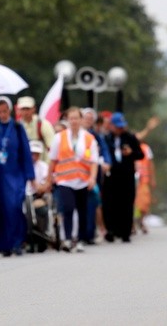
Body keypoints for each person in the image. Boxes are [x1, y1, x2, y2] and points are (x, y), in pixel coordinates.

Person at [0, 96, 36, 257]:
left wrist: (30, 176)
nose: (2, 115)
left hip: (15, 174)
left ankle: (17, 242)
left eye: (5, 111)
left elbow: (25, 152)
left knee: (14, 207)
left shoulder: (17, 128)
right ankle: (3, 244)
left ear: (9, 111)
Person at [46, 107, 99, 252]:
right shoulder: (59, 137)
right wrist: (49, 178)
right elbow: (53, 159)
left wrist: (92, 178)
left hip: (82, 180)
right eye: (71, 118)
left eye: (77, 118)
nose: (74, 121)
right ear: (67, 120)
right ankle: (68, 238)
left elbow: (94, 161)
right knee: (68, 208)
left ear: (81, 120)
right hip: (65, 179)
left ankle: (80, 239)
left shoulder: (89, 138)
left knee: (82, 210)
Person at [103, 111, 144, 243]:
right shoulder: (106, 138)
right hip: (111, 176)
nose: (120, 129)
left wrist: (131, 153)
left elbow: (140, 154)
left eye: (122, 126)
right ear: (111, 126)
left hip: (126, 176)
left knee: (126, 203)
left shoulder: (130, 137)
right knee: (111, 203)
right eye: (117, 126)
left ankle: (126, 232)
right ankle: (111, 230)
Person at [81, 107, 111, 244]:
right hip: (78, 173)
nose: (88, 121)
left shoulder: (95, 135)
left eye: (90, 119)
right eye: (86, 118)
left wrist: (106, 162)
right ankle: (80, 234)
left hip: (93, 173)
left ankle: (90, 233)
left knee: (92, 202)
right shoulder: (74, 134)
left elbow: (104, 150)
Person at [17, 96, 55, 161]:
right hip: (24, 163)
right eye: (23, 109)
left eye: (28, 109)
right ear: (19, 110)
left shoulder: (43, 124)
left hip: (43, 164)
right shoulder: (16, 126)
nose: (25, 112)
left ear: (34, 109)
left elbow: (52, 146)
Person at [134, 140, 156, 234]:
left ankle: (141, 221)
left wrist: (153, 179)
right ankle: (132, 225)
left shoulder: (146, 148)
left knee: (144, 203)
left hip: (143, 181)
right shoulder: (129, 147)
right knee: (134, 204)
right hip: (132, 181)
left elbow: (150, 164)